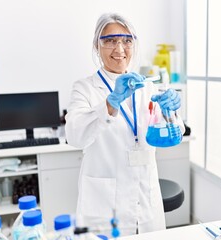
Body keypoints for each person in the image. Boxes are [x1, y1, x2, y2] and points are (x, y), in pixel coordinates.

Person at [65, 13, 184, 236]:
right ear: (96, 46)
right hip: (104, 205)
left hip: (145, 199)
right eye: (110, 41)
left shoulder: (147, 87)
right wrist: (110, 104)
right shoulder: (85, 88)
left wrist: (171, 113)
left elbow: (173, 133)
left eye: (127, 41)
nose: (119, 49)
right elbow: (74, 136)